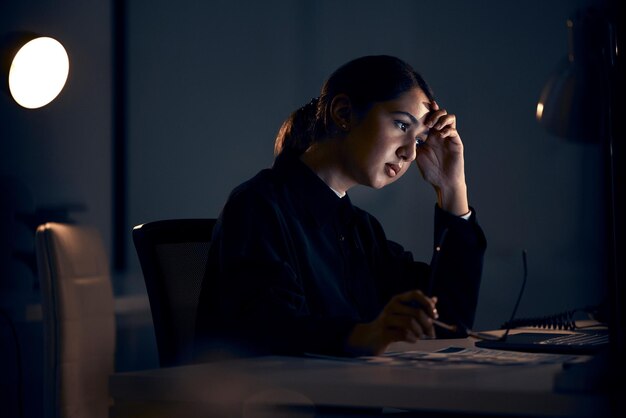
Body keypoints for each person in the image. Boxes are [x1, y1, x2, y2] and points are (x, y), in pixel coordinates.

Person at [194, 55, 486, 360]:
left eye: (421, 140)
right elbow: (271, 329)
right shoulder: (257, 206)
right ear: (343, 112)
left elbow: (447, 322)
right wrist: (366, 334)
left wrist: (452, 188)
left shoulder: (361, 229)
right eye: (402, 125)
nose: (409, 152)